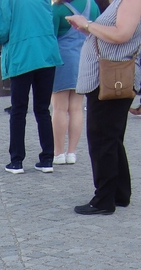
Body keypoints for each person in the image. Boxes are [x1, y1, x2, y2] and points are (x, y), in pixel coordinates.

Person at [66, 0, 141, 214]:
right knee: (111, 137)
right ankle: (119, 193)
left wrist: (88, 24)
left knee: (102, 138)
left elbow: (121, 34)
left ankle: (104, 200)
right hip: (108, 76)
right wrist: (86, 29)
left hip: (112, 77)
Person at [0, 0, 63, 174]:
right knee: (43, 109)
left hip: (22, 55)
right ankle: (47, 159)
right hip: (46, 54)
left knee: (18, 110)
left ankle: (16, 161)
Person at [51, 0, 100, 164]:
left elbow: (51, 36)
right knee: (77, 109)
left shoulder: (58, 9)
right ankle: (72, 152)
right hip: (84, 60)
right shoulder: (92, 5)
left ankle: (58, 153)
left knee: (59, 108)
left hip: (62, 59)